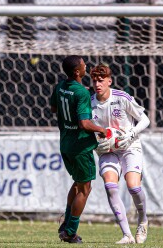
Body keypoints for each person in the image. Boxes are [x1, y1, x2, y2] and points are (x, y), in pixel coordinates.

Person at [50, 55, 108, 244]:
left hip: (65, 143)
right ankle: (70, 232)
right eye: (84, 65)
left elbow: (53, 108)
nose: (86, 67)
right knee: (84, 188)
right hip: (80, 146)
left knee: (77, 184)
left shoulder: (59, 87)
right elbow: (84, 124)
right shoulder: (81, 92)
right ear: (77, 72)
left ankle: (65, 224)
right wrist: (101, 130)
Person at [90, 63, 150, 244]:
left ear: (109, 81)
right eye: (94, 81)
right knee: (110, 187)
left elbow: (144, 119)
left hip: (130, 146)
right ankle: (127, 235)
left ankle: (143, 219)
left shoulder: (121, 97)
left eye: (101, 80)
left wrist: (131, 134)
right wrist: (95, 145)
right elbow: (88, 130)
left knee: (133, 186)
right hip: (107, 150)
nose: (97, 84)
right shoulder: (90, 102)